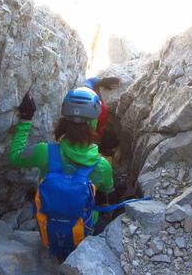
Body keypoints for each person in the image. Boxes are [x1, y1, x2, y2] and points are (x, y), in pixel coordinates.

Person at [8, 87, 115, 256]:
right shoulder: (102, 165)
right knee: (106, 206)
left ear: (64, 121)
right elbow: (106, 193)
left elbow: (15, 157)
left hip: (47, 231)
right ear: (94, 123)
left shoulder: (45, 152)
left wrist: (26, 120)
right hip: (83, 233)